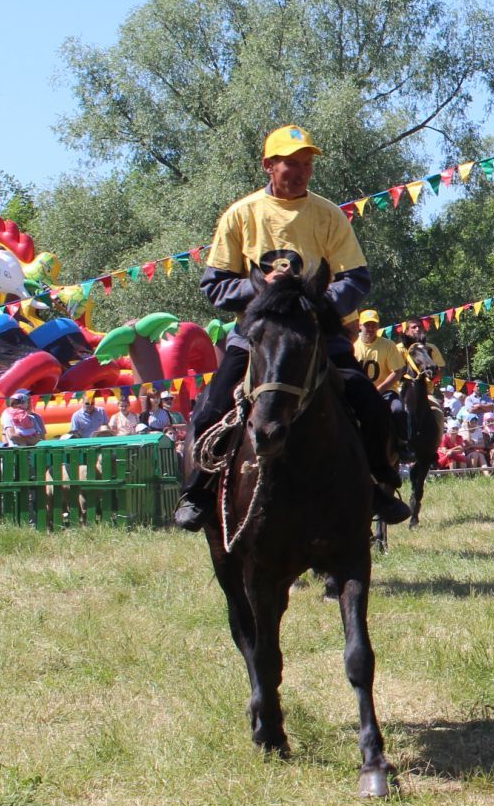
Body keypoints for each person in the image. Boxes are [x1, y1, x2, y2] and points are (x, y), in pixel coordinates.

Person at [175, 124, 409, 529]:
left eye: (306, 165)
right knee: (210, 406)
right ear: (268, 165)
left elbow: (356, 278)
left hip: (316, 333)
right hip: (256, 335)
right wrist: (261, 291)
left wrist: (312, 303)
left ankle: (377, 485)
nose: (300, 172)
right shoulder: (241, 214)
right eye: (290, 164)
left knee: (365, 399)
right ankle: (196, 492)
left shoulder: (328, 215)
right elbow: (214, 284)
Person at [353, 310, 411, 446]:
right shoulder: (352, 345)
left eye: (374, 325)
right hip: (358, 392)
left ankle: (403, 444)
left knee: (397, 410)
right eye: (367, 325)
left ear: (378, 326)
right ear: (360, 326)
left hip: (386, 391)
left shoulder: (388, 345)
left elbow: (397, 371)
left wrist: (379, 389)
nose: (371, 328)